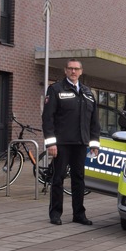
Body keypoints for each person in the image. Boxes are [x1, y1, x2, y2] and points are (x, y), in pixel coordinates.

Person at [42, 59, 100, 226]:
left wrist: (94, 143)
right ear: (65, 70)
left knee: (79, 179)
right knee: (58, 178)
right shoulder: (55, 90)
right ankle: (55, 213)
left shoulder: (88, 93)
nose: (73, 72)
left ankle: (79, 214)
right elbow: (48, 118)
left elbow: (94, 121)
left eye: (76, 69)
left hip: (81, 143)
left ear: (81, 71)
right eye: (70, 69)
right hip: (62, 143)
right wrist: (51, 143)